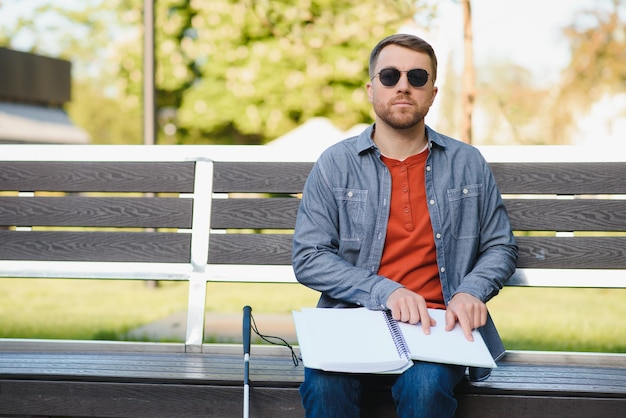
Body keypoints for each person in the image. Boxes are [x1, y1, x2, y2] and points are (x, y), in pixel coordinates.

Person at [292, 33, 518, 418]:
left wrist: (470, 292)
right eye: (390, 76)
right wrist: (384, 291)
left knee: (425, 387)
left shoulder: (468, 163)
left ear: (432, 92)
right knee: (325, 385)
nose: (402, 86)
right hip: (353, 323)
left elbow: (501, 247)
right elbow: (309, 257)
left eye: (416, 77)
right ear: (370, 88)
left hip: (438, 327)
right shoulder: (335, 163)